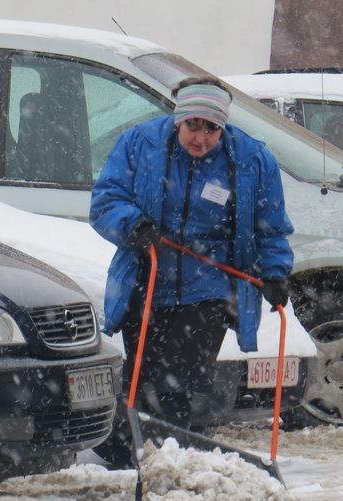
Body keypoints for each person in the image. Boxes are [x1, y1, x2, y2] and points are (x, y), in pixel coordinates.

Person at [89, 76, 294, 429]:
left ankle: (170, 448)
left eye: (212, 128)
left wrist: (274, 271)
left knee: (178, 384)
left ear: (223, 126)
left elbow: (270, 225)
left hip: (209, 286)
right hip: (146, 278)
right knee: (140, 380)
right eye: (193, 126)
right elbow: (106, 201)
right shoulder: (140, 144)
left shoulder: (251, 161)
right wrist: (134, 226)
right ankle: (138, 454)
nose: (200, 138)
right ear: (178, 118)